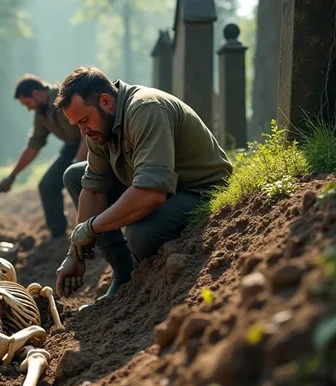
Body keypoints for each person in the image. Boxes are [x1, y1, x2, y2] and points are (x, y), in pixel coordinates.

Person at [54, 66, 233, 299]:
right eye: (77, 124)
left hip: (199, 190)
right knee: (75, 177)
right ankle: (123, 274)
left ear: (106, 102)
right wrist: (75, 253)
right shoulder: (99, 127)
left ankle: (141, 290)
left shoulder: (146, 109)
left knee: (140, 235)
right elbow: (93, 189)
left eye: (85, 121)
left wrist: (91, 228)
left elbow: (151, 193)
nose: (83, 131)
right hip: (156, 185)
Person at [0, 74, 88, 240]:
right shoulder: (41, 115)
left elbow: (87, 130)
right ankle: (58, 235)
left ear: (36, 93)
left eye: (28, 103)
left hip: (93, 139)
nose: (29, 108)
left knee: (80, 180)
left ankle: (93, 229)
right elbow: (33, 147)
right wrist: (12, 176)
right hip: (72, 146)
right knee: (48, 185)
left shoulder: (65, 96)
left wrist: (77, 163)